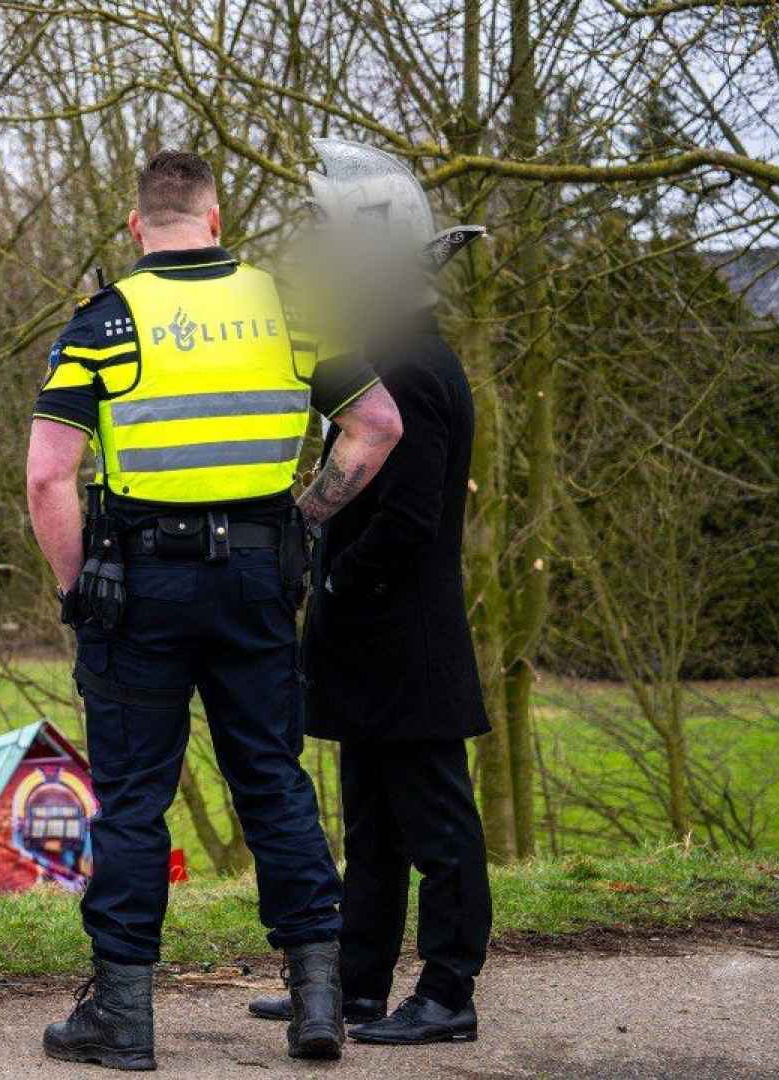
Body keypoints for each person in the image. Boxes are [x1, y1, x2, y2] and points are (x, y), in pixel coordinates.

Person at [26, 150, 403, 1069]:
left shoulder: (105, 322)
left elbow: (48, 477)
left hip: (138, 590)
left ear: (135, 227)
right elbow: (378, 425)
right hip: (258, 583)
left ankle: (123, 1019)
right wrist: (303, 522)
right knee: (272, 780)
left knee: (133, 803)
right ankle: (318, 999)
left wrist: (79, 589)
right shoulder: (292, 310)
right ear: (217, 219)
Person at [245, 138, 492, 1046]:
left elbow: (410, 517)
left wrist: (336, 574)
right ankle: (355, 984)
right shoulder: (392, 356)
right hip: (371, 639)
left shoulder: (415, 368)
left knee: (435, 824)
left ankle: (449, 992)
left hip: (405, 638)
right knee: (375, 825)